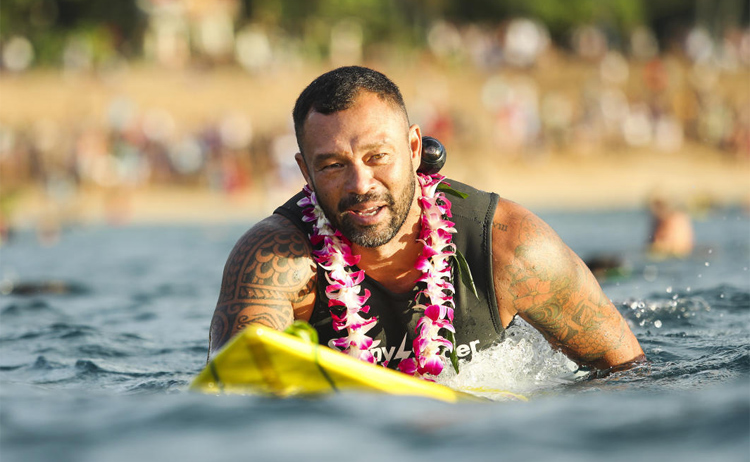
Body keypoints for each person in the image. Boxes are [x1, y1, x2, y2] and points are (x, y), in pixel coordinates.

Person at [208, 66, 645, 377]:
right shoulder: (273, 261)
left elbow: (628, 373)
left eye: (378, 157)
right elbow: (235, 396)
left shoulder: (509, 246)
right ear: (305, 173)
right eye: (333, 166)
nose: (360, 184)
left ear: (415, 148)